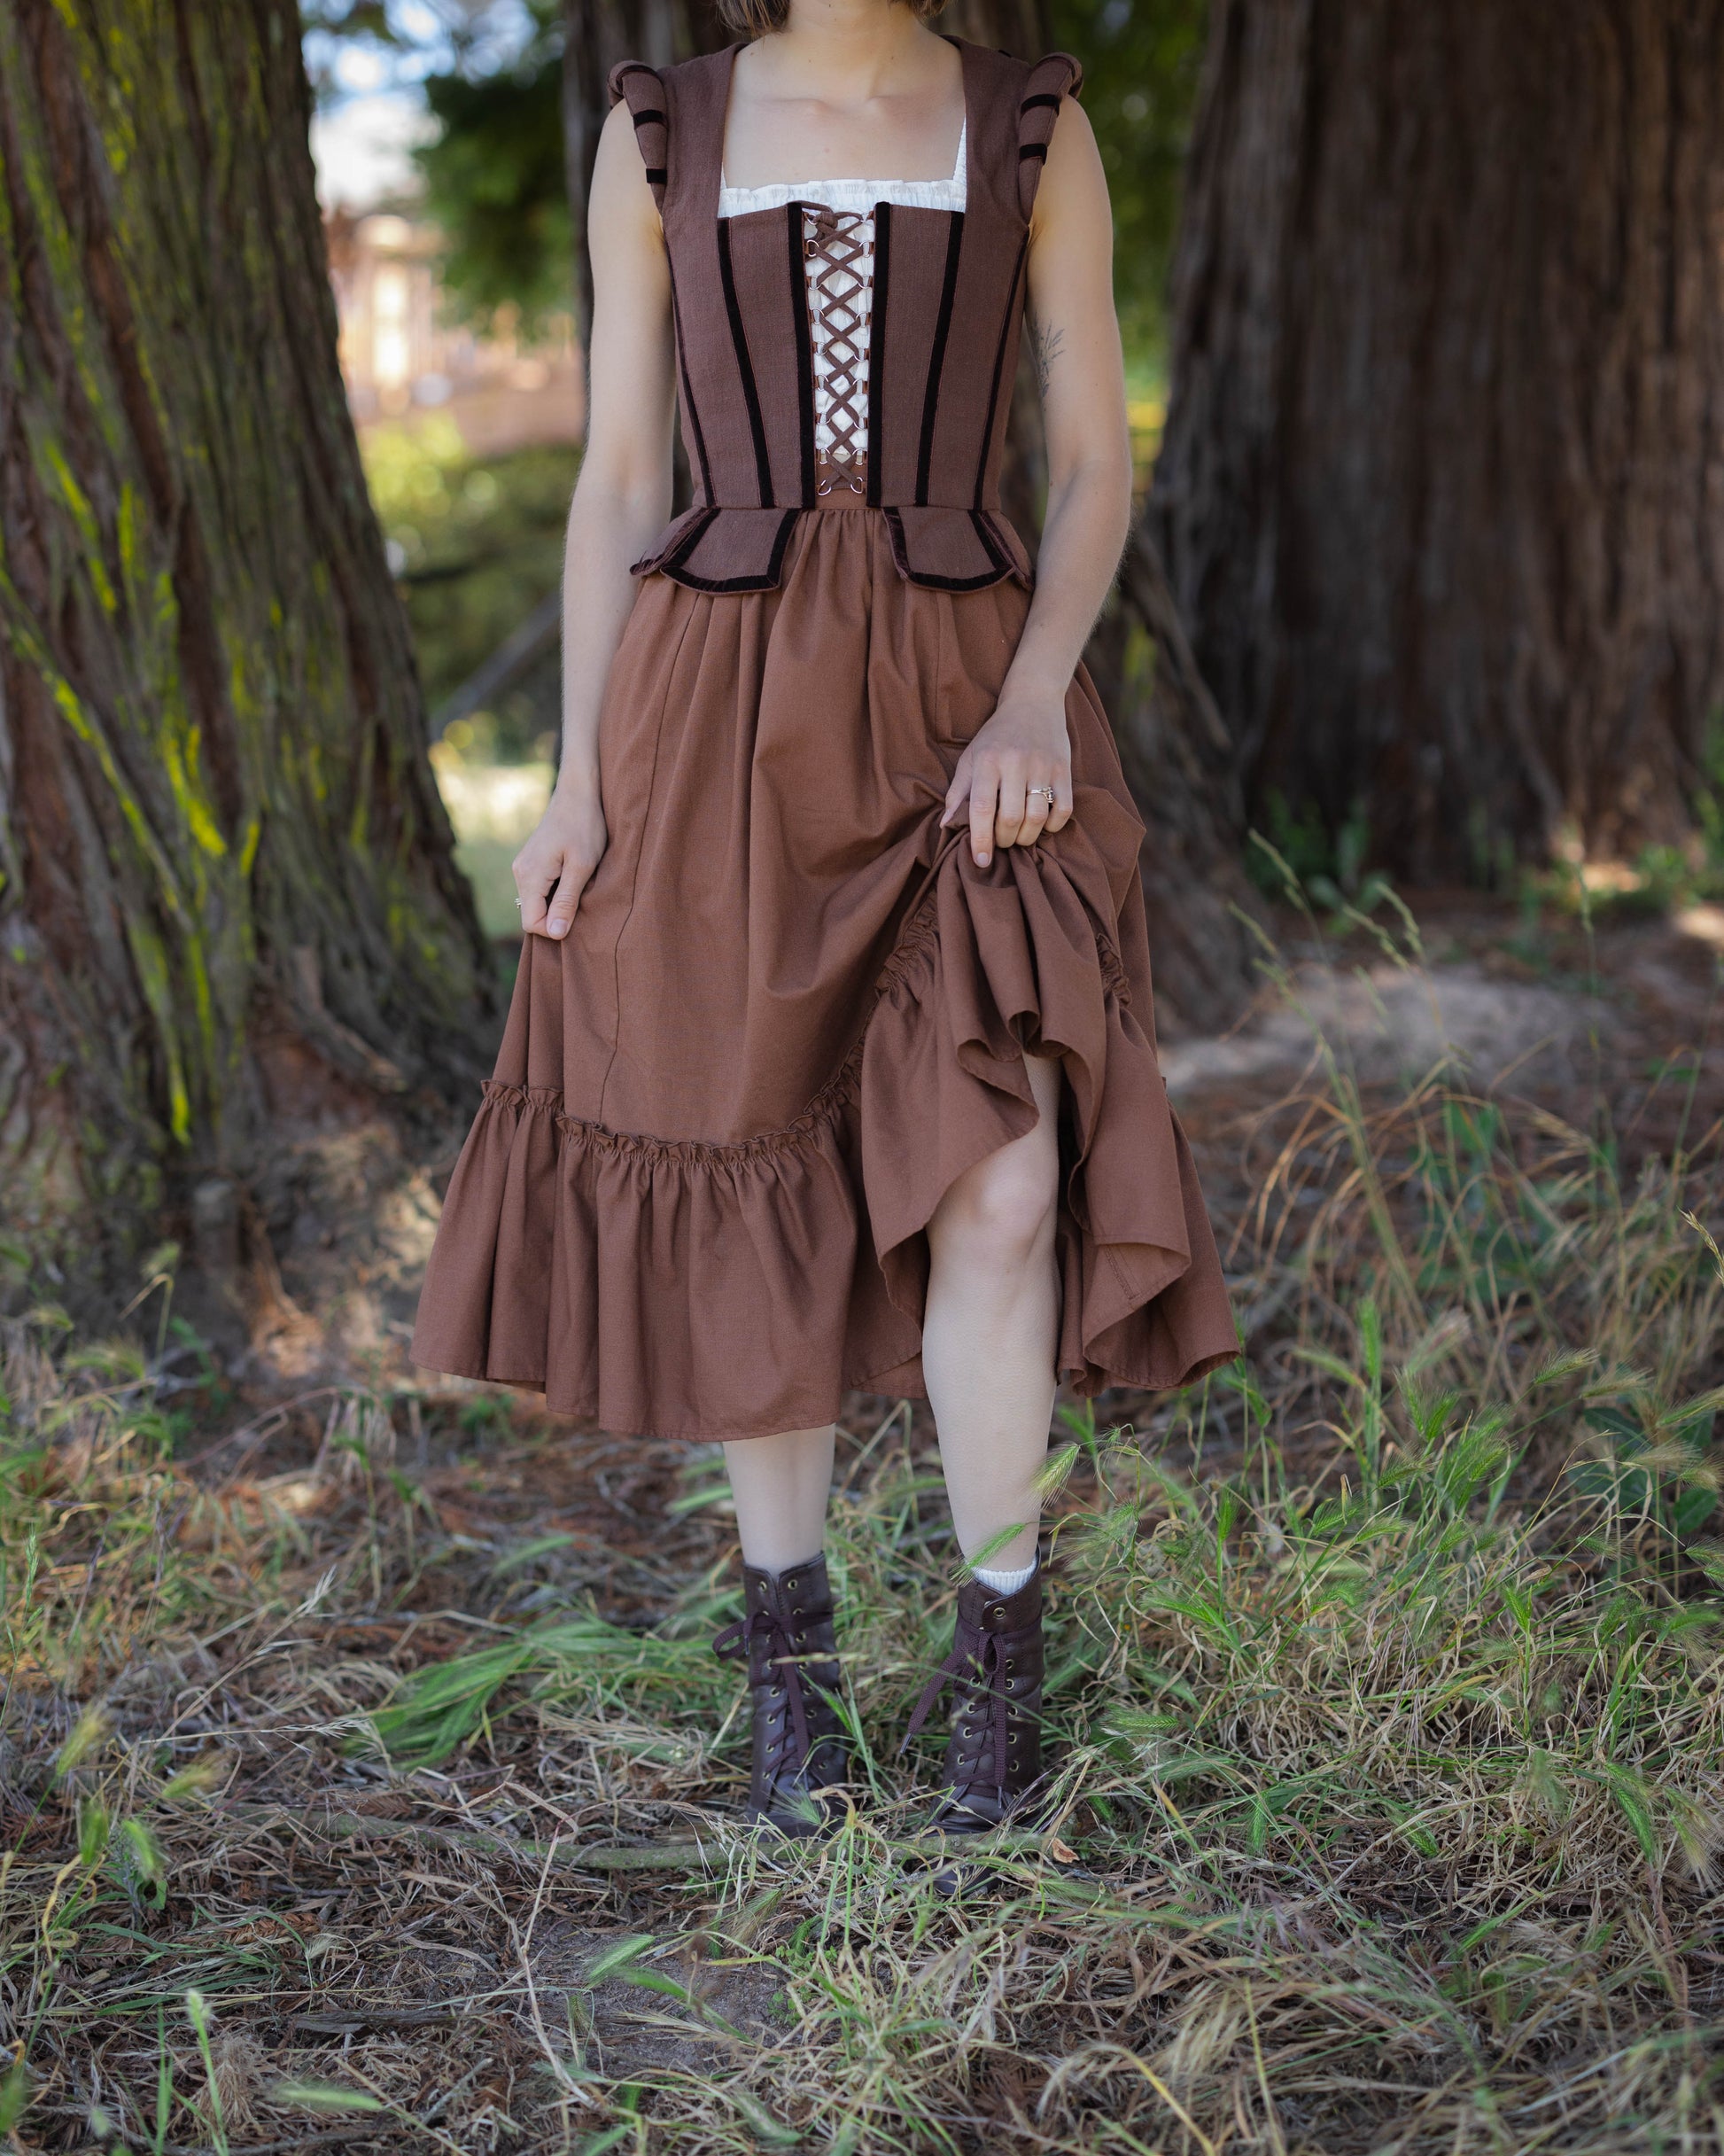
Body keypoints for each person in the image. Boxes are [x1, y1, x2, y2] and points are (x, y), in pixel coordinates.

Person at [413, 0, 1237, 1841]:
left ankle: (997, 1659)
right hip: (716, 715)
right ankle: (792, 1667)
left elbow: (1094, 458)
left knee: (1008, 1173)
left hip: (968, 711)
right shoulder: (662, 130)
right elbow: (623, 478)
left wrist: (1036, 697)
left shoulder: (1030, 124)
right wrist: (575, 780)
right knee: (750, 1164)